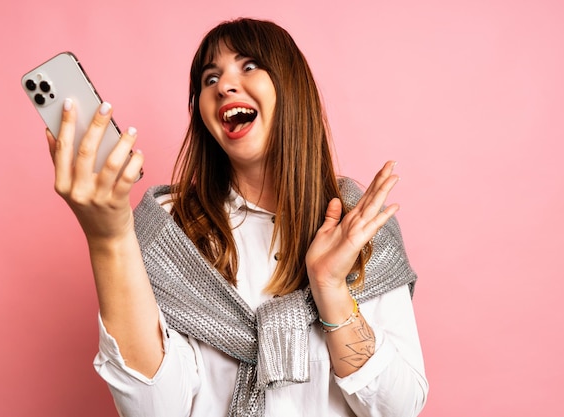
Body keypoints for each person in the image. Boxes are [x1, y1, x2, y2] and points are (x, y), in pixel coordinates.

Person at [46, 18, 428, 417]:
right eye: (210, 78)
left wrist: (331, 290)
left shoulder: (358, 225)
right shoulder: (167, 232)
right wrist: (110, 240)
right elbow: (153, 410)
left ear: (291, 86)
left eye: (248, 66)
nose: (224, 85)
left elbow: (399, 408)